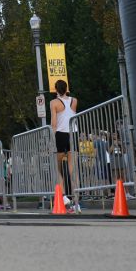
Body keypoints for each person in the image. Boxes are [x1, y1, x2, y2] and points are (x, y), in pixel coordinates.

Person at [49, 80, 80, 213]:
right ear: (66, 88)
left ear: (56, 90)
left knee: (58, 167)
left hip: (61, 134)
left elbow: (54, 123)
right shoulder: (74, 100)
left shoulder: (54, 103)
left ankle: (64, 197)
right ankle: (76, 202)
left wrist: (51, 139)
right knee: (73, 170)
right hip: (73, 133)